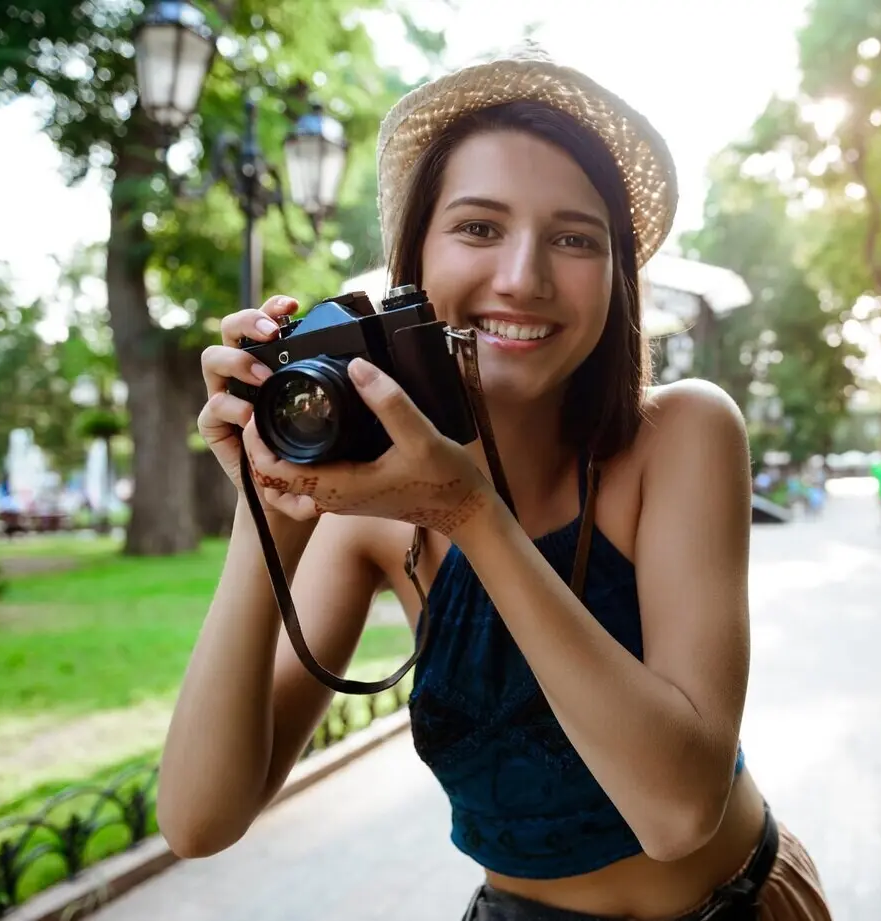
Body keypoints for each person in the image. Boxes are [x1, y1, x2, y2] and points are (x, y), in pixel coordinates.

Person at [166, 46, 832, 921]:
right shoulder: (367, 510)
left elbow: (677, 809)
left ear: (617, 276)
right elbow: (197, 818)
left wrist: (471, 513)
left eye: (573, 238)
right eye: (479, 228)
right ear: (414, 262)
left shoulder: (683, 435)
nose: (524, 276)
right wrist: (268, 510)